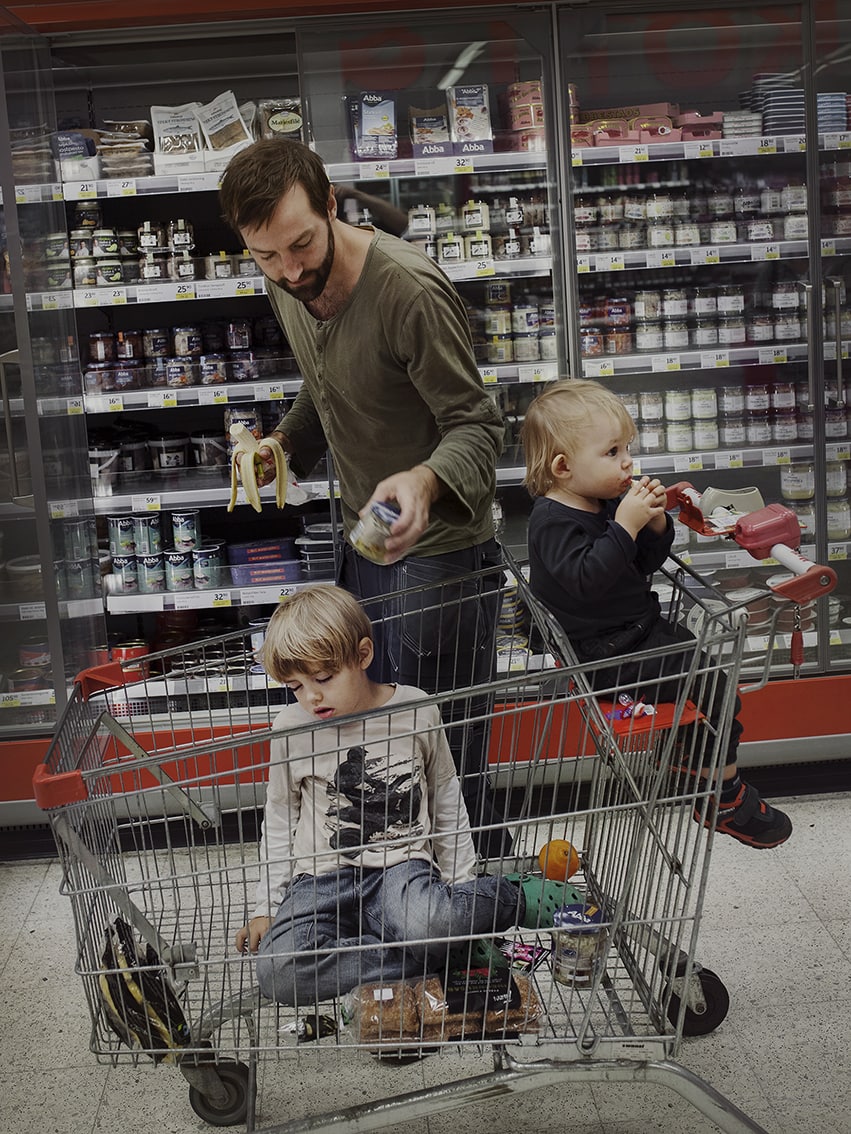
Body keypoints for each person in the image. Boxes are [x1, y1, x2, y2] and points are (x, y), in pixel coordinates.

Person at [219, 139, 509, 856]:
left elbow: (478, 424)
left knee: (442, 761)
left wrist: (423, 477)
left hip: (440, 560)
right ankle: (401, 917)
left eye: (301, 245)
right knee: (384, 760)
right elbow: (325, 389)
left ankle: (470, 930)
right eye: (266, 256)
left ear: (329, 206)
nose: (289, 270)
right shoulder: (284, 282)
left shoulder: (405, 290)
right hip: (368, 546)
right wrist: (281, 447)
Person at [235, 585, 566, 1006]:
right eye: (295, 686)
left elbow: (446, 797)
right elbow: (280, 816)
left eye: (322, 678)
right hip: (320, 877)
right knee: (279, 973)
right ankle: (423, 961)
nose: (310, 697)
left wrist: (460, 889)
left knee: (433, 923)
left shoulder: (416, 708)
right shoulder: (291, 727)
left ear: (363, 655)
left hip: (401, 869)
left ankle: (515, 896)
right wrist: (267, 904)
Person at [520, 379, 792, 850]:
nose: (626, 461)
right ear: (563, 467)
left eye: (627, 447)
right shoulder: (553, 521)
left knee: (696, 664)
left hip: (631, 637)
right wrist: (624, 524)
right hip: (605, 656)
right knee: (715, 686)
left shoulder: (602, 503)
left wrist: (655, 525)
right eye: (611, 452)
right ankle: (723, 796)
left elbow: (641, 565)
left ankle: (687, 760)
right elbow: (587, 579)